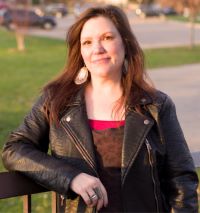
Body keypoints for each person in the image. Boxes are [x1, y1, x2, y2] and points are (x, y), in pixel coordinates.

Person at [2, 5, 199, 213]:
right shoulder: (56, 100)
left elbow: (181, 180)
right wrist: (71, 177)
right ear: (81, 51)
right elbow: (14, 149)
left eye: (107, 38)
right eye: (87, 42)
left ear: (126, 43)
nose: (97, 49)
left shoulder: (156, 105)